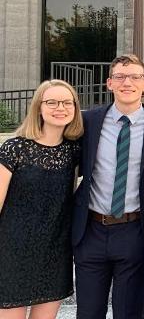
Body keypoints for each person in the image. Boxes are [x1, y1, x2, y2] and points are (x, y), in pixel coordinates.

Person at [73, 54, 144, 319]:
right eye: (120, 77)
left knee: (130, 313)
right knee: (88, 313)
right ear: (109, 83)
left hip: (134, 232)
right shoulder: (87, 122)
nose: (128, 82)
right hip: (91, 231)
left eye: (135, 77)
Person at [0, 80, 83, 319]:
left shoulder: (74, 151)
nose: (60, 107)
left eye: (68, 102)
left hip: (54, 252)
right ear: (38, 107)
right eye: (52, 102)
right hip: (11, 252)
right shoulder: (14, 148)